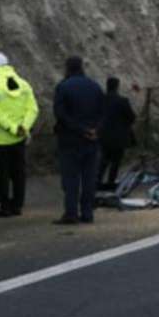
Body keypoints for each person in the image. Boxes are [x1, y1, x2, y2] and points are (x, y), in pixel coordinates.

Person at [0, 52, 38, 217]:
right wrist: (23, 128)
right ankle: (17, 206)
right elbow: (33, 109)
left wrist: (11, 127)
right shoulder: (24, 84)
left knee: (1, 174)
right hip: (19, 139)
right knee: (18, 173)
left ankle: (3, 207)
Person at [53, 57, 104, 225]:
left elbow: (61, 114)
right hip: (92, 140)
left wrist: (81, 130)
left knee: (71, 179)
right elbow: (103, 112)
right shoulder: (95, 86)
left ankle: (71, 213)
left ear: (67, 68)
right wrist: (95, 130)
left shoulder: (63, 87)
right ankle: (87, 213)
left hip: (70, 140)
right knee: (89, 178)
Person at [98, 77, 136, 191]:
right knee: (115, 162)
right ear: (117, 86)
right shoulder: (122, 101)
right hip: (119, 137)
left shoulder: (100, 100)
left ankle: (97, 182)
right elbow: (132, 117)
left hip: (103, 136)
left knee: (103, 161)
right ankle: (110, 183)